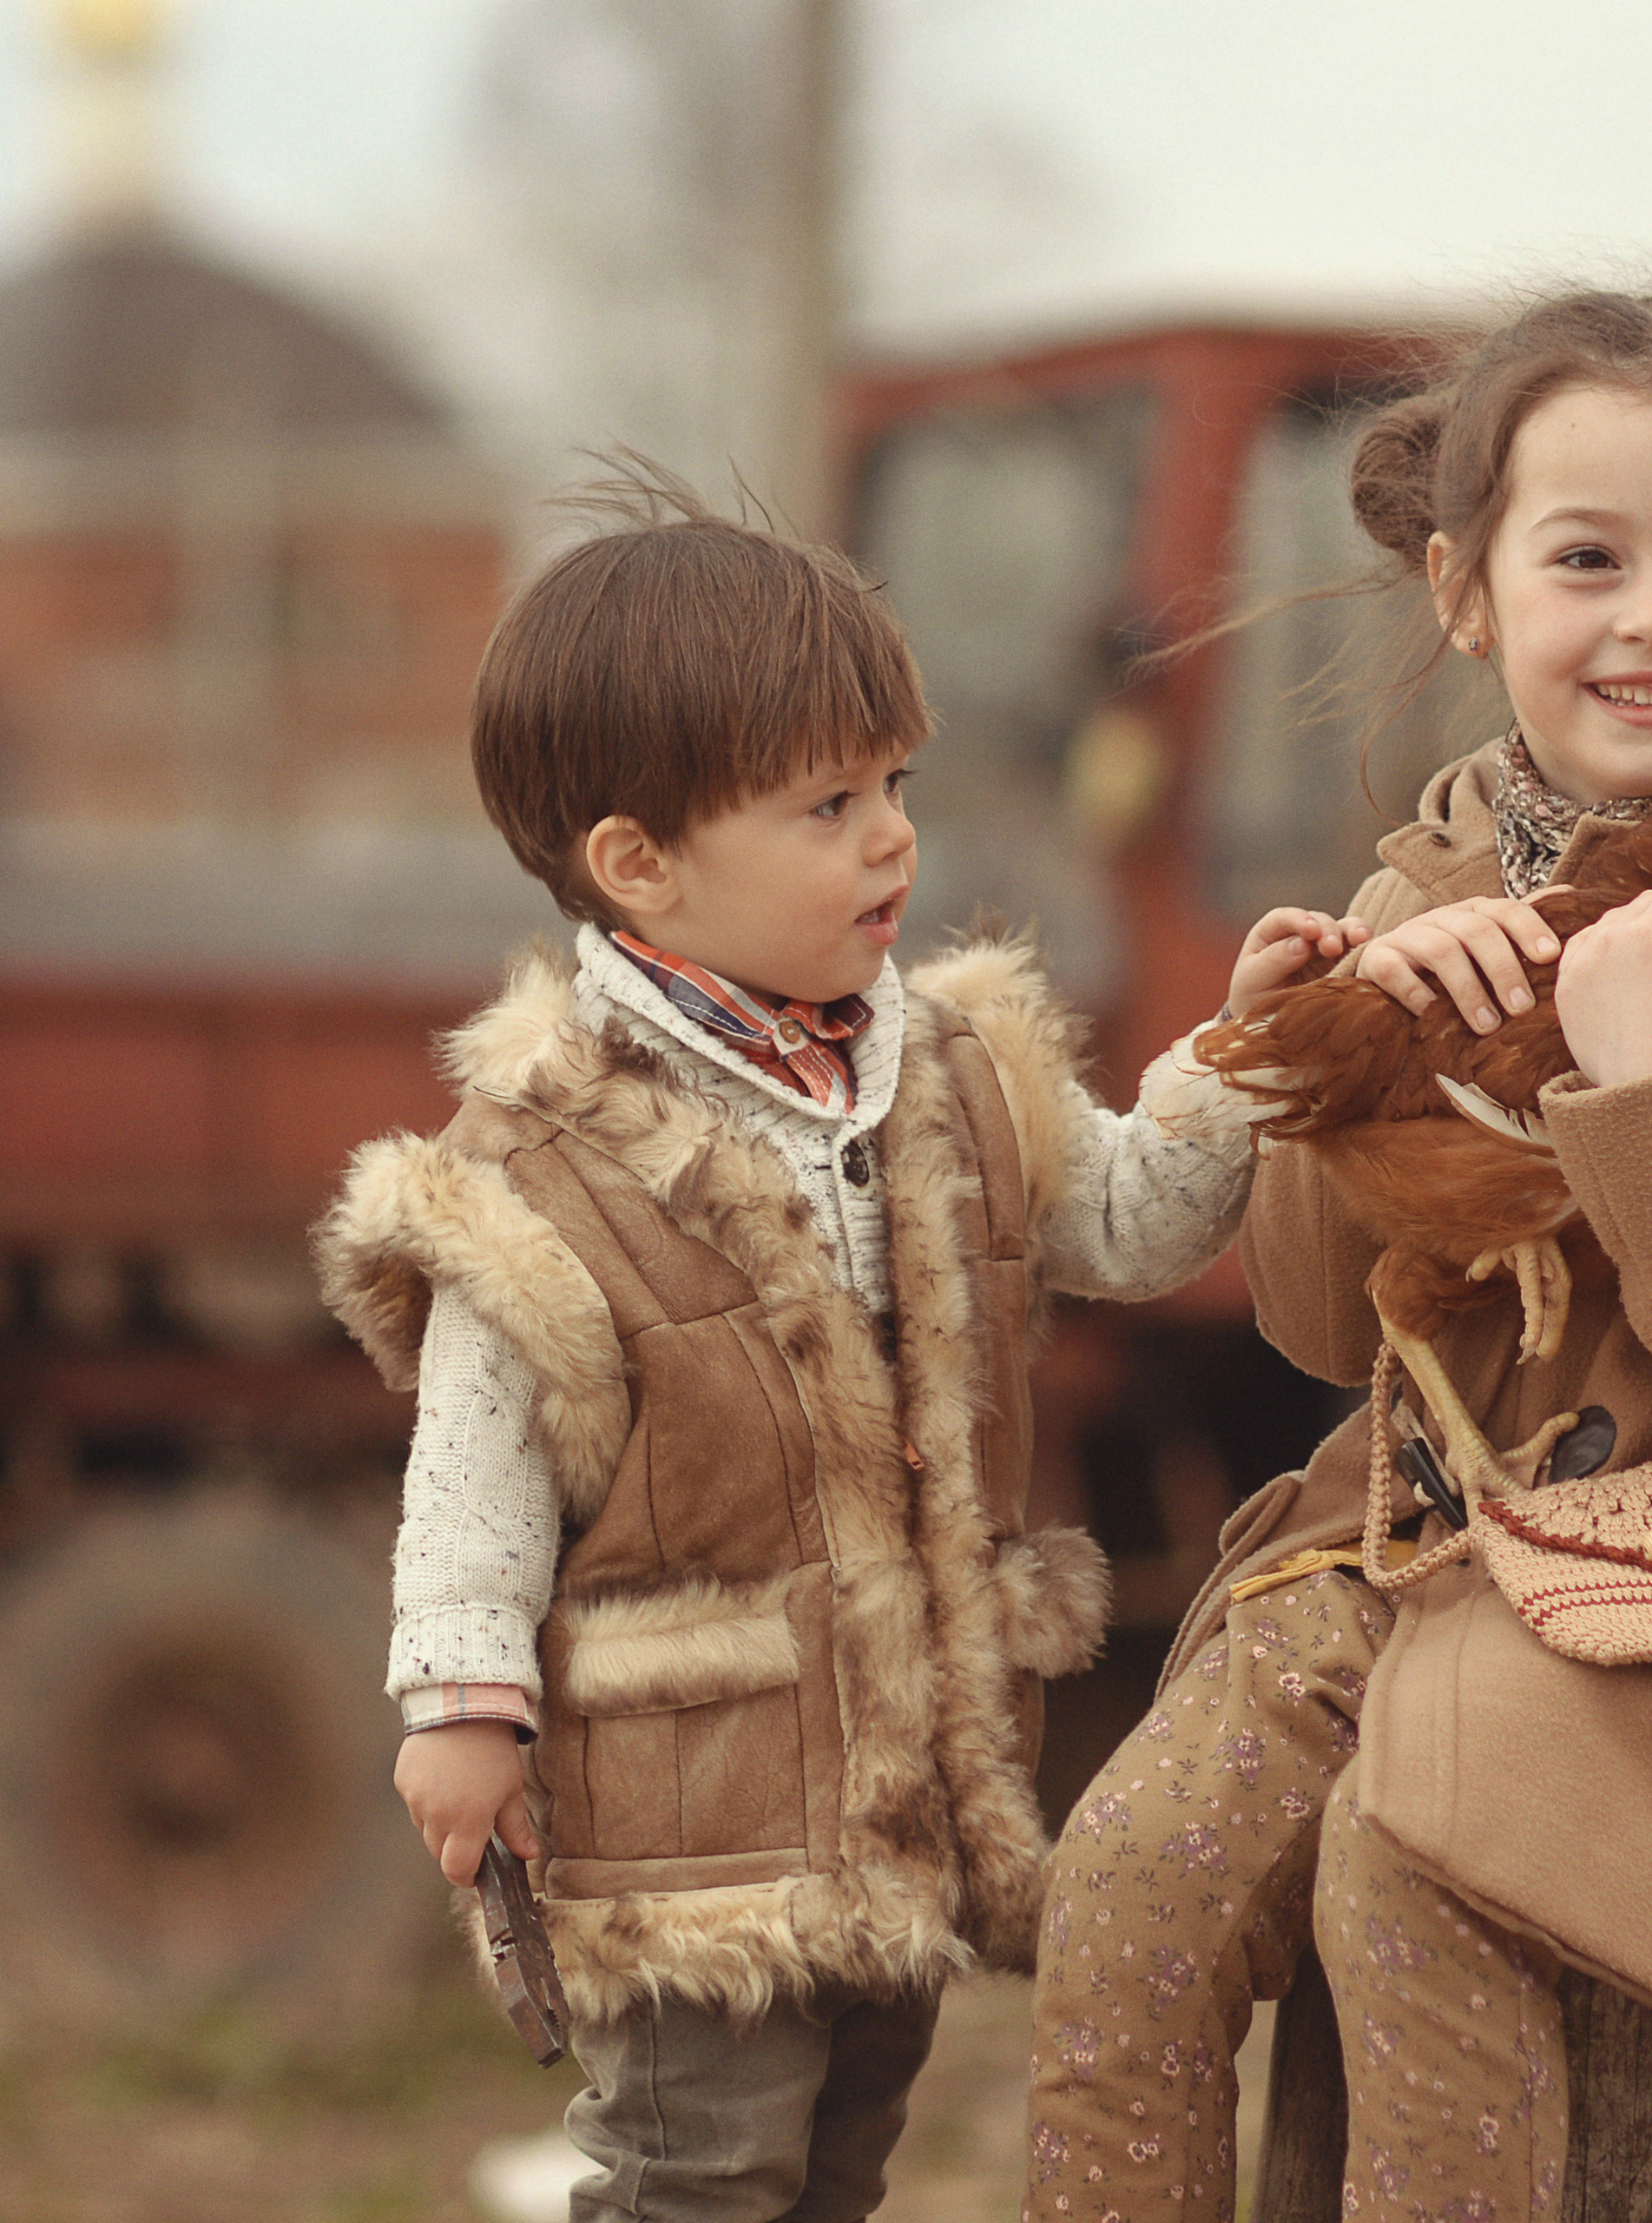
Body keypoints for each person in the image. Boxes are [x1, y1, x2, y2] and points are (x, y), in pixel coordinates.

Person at [1024, 289, 1652, 2222]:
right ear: (1465, 592)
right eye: (1587, 558)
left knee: (1423, 1864)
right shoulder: (1437, 876)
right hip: (1443, 1532)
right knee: (1126, 1876)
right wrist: (1331, 1062)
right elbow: (1326, 1327)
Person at [314, 471, 1368, 2223]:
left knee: (838, 2156)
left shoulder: (950, 1068)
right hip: (691, 1797)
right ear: (640, 862)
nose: (891, 835)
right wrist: (460, 1703)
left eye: (893, 784)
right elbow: (474, 1460)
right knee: (700, 2166)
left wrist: (1234, 1061)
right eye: (826, 803)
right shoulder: (547, 1167)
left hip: (906, 1771)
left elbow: (1119, 1216)